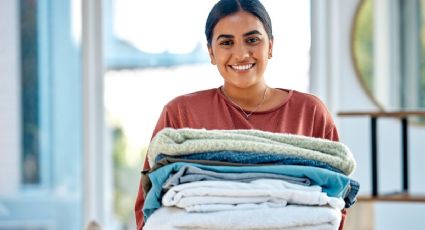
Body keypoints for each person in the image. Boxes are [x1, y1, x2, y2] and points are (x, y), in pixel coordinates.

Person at [134, 0, 345, 229]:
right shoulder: (180, 114)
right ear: (211, 52)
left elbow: (336, 201)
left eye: (252, 40)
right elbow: (149, 205)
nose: (241, 53)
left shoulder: (309, 113)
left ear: (271, 46)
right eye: (227, 42)